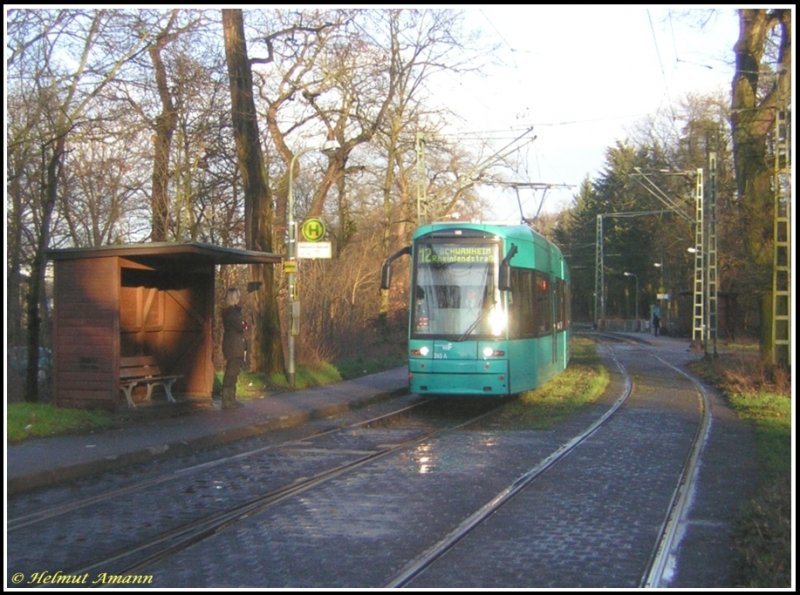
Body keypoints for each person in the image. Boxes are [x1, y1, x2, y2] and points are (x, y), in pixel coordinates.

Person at [221, 287, 247, 409]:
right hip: (233, 345)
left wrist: (243, 324)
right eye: (237, 297)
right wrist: (243, 324)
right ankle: (227, 400)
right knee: (231, 372)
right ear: (234, 299)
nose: (239, 299)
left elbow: (243, 324)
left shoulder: (232, 312)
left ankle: (231, 398)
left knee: (234, 372)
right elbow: (241, 325)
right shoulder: (231, 313)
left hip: (234, 344)